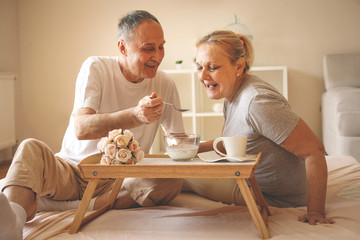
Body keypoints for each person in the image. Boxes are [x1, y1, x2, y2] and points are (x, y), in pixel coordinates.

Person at [0, 10, 184, 239]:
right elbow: (82, 128)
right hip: (72, 170)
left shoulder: (165, 83)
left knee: (171, 179)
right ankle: (12, 225)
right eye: (148, 48)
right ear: (122, 47)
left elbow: (178, 143)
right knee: (29, 148)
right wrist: (136, 115)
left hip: (117, 182)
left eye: (161, 47)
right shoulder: (96, 67)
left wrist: (211, 149)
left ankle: (77, 204)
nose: (157, 55)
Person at [183, 30, 335, 225]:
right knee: (174, 166)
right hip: (247, 179)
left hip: (268, 195)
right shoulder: (231, 94)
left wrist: (316, 212)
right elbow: (228, 144)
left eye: (212, 67)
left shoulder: (257, 101)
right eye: (198, 67)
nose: (202, 75)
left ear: (238, 66)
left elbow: (314, 150)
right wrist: (189, 149)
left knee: (175, 176)